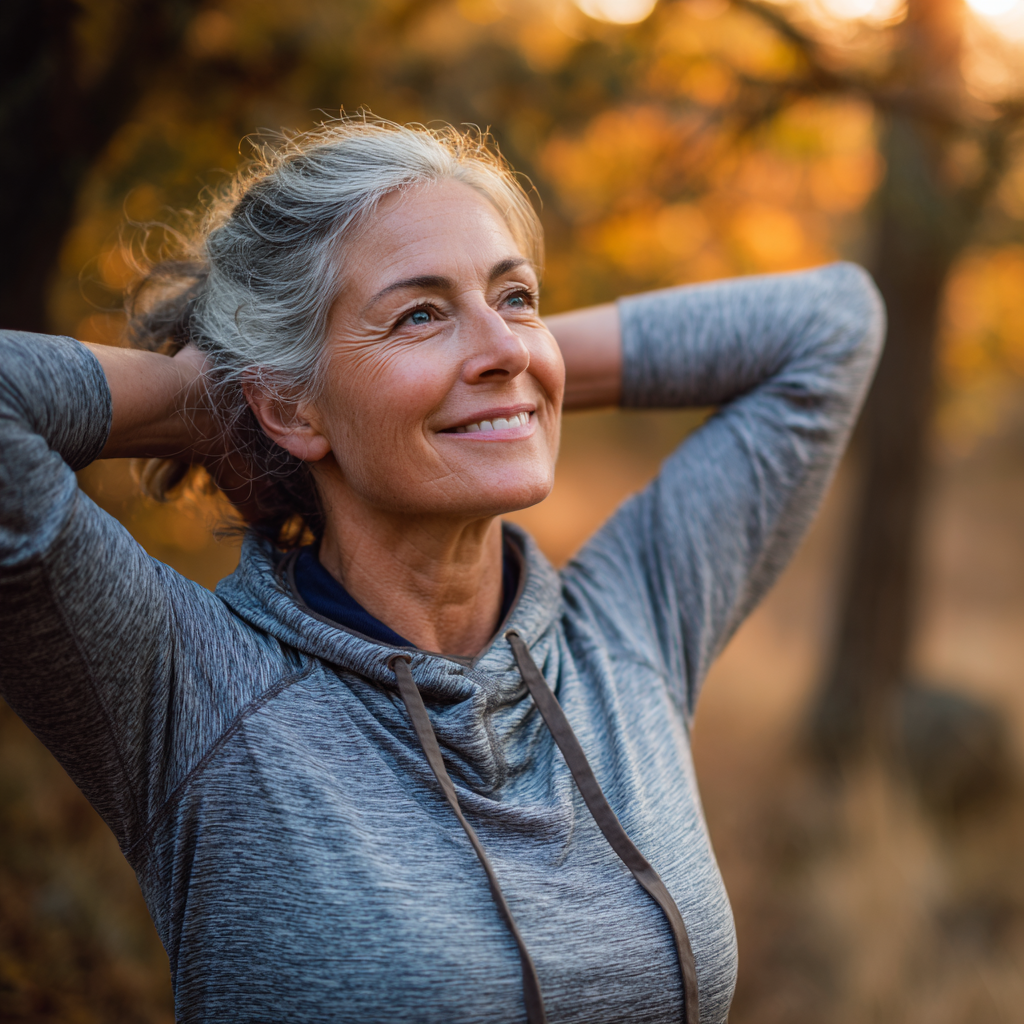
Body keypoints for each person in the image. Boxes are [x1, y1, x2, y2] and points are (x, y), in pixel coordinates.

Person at [0, 118, 884, 1024]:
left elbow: (831, 324)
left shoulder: (628, 627)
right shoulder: (192, 693)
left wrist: (514, 364)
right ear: (287, 404)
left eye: (516, 295)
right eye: (419, 313)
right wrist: (217, 402)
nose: (503, 345)